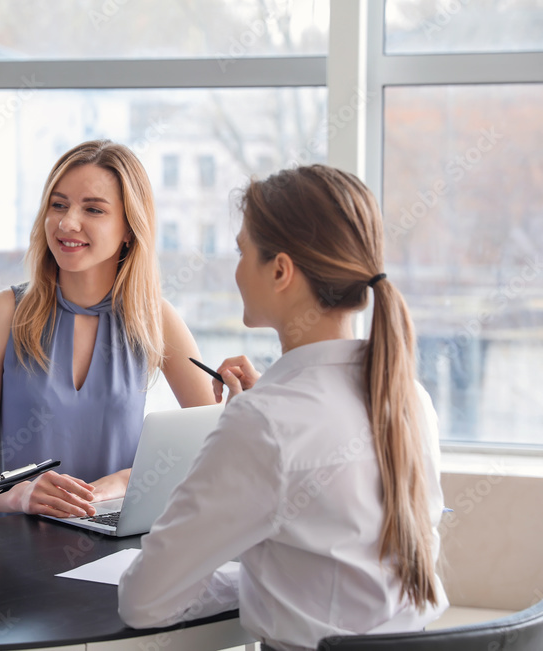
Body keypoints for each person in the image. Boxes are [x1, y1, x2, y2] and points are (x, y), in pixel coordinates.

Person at [117, 164, 448, 650]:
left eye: (241, 251)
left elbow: (144, 601)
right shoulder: (409, 398)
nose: (234, 269)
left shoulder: (263, 424)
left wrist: (248, 430)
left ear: (279, 270)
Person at [0, 140, 216, 519]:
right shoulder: (2, 314)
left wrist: (127, 480)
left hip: (117, 540)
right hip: (14, 544)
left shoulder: (155, 318)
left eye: (93, 209)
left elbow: (216, 443)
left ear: (128, 228)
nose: (67, 222)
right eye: (58, 205)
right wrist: (21, 494)